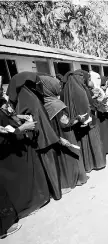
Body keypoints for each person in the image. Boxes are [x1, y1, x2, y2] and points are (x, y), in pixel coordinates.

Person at [7, 72, 64, 200]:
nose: (38, 84)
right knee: (49, 165)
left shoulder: (28, 94)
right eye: (35, 82)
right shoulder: (28, 96)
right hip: (41, 138)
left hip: (41, 136)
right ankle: (56, 192)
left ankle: (55, 191)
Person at [39, 75, 88, 193]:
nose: (59, 87)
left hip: (54, 135)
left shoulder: (44, 102)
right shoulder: (57, 104)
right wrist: (78, 119)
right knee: (70, 157)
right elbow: (65, 123)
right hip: (65, 134)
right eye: (57, 85)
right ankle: (76, 179)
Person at [62, 70, 106, 172]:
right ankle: (96, 163)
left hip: (76, 122)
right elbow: (85, 106)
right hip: (85, 121)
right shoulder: (80, 90)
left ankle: (87, 164)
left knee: (83, 143)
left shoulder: (68, 88)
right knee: (91, 141)